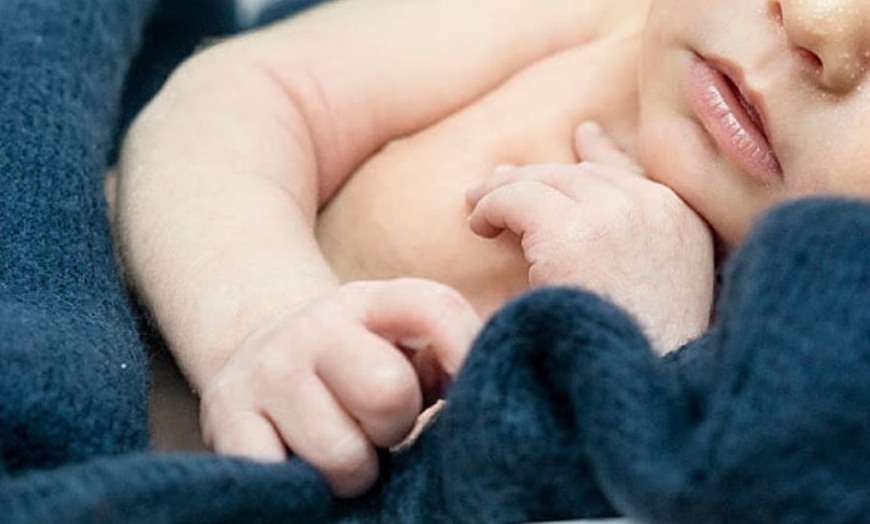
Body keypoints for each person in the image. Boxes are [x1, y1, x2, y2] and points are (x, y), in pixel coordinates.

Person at [110, 0, 870, 499]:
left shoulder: (802, 387)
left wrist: (643, 358)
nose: (817, 22)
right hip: (117, 310)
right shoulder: (604, 21)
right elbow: (236, 94)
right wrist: (258, 323)